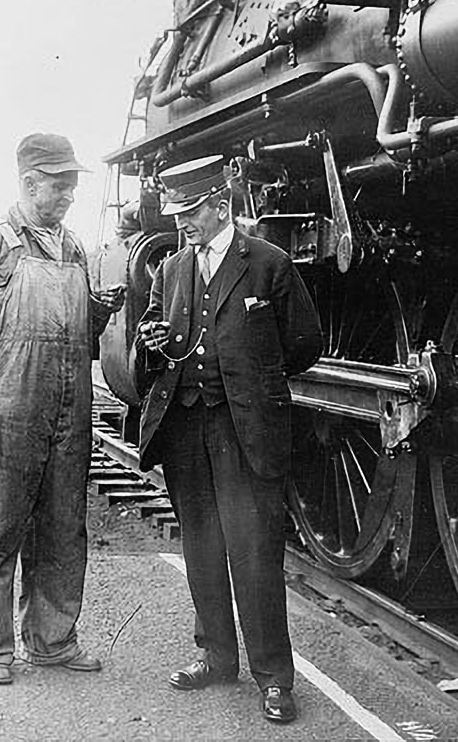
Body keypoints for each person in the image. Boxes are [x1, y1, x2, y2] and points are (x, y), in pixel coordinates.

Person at [135, 155, 322, 724]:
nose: (182, 223)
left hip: (244, 431)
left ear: (221, 205)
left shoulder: (269, 264)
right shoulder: (170, 269)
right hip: (187, 426)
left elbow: (303, 345)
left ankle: (274, 679)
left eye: (191, 212)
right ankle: (216, 657)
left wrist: (250, 379)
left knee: (255, 552)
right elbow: (149, 345)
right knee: (201, 545)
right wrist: (152, 341)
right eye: (178, 214)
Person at [0, 133, 125, 686]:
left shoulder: (71, 249)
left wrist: (96, 312)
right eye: (60, 185)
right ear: (28, 183)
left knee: (64, 534)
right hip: (7, 414)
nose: (70, 195)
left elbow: (73, 338)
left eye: (72, 185)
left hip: (68, 416)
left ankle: (52, 641)